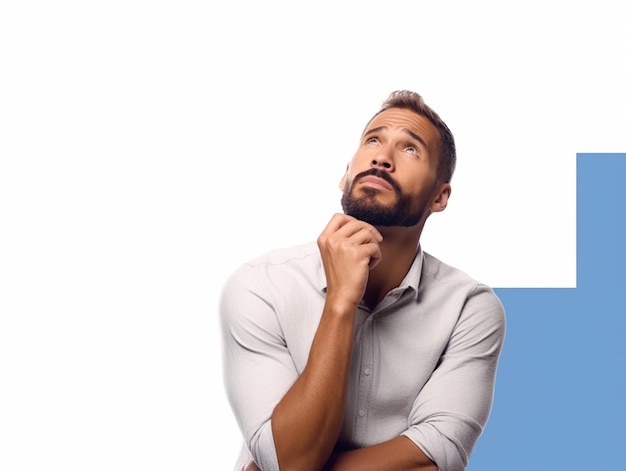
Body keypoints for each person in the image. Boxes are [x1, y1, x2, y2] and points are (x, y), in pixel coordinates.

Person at [219, 90, 506, 471]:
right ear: (346, 175)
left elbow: (437, 456)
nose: (382, 157)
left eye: (410, 149)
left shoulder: (469, 309)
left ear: (440, 197)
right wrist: (340, 302)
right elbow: (290, 461)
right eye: (373, 139)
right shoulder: (260, 287)